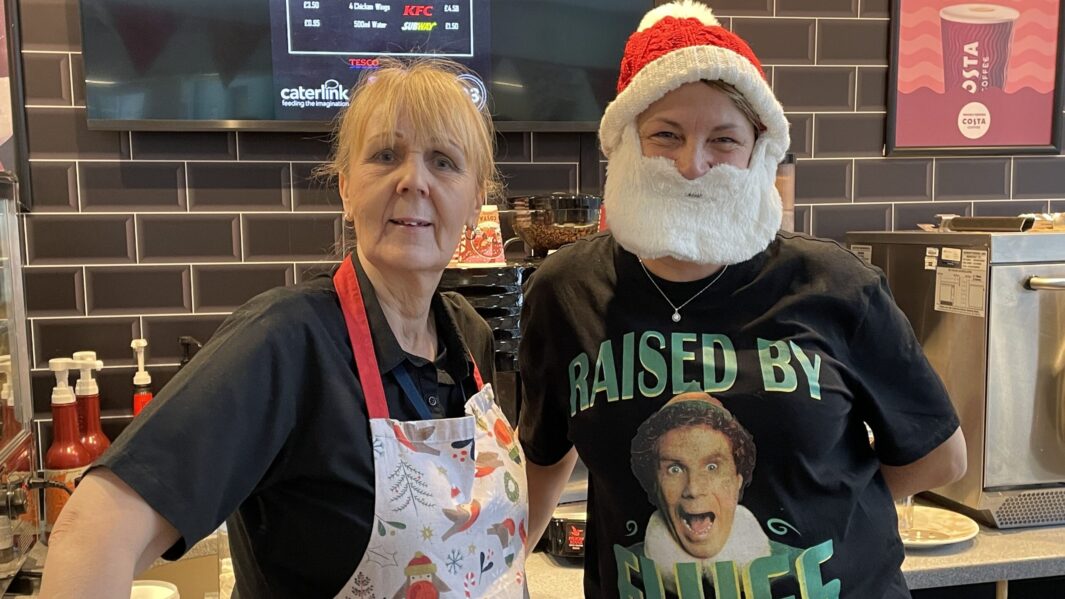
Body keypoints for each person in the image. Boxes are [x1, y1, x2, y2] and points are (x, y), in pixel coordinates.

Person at [518, 2, 966, 598]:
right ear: (626, 142)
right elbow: (544, 458)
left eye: (723, 140)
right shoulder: (567, 290)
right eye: (666, 135)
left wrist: (821, 503)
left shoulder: (836, 284)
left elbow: (940, 458)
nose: (692, 164)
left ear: (757, 151)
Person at [39, 58, 529, 599]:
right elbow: (92, 532)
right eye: (385, 155)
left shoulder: (467, 336)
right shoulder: (287, 340)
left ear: (476, 199)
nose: (413, 180)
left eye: (443, 162)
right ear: (346, 188)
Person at [629, 393, 769, 591]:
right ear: (654, 486)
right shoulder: (627, 565)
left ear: (738, 480)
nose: (693, 489)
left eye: (712, 467)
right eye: (674, 469)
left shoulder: (791, 562)